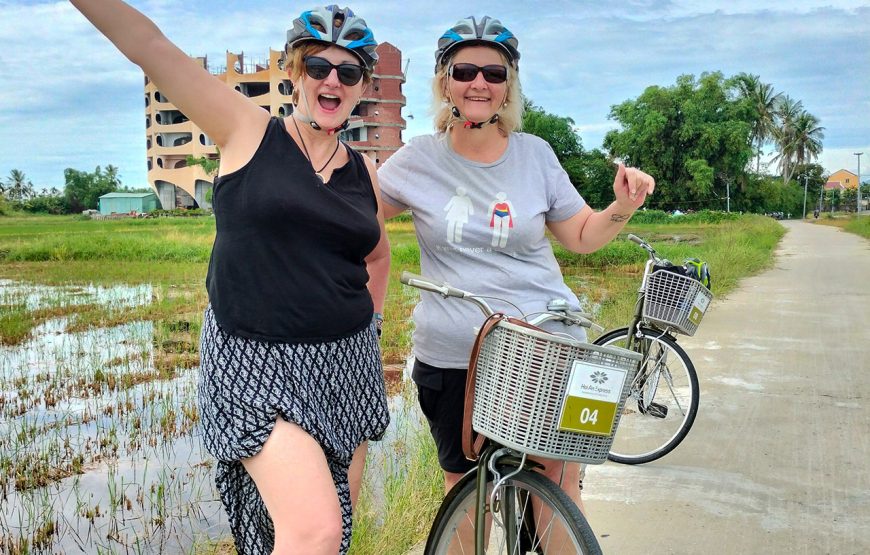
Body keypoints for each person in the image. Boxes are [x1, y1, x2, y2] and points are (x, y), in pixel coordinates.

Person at [70, 2, 391, 553]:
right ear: (294, 73)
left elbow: (378, 256)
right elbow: (152, 48)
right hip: (253, 362)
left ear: (362, 86)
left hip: (347, 364)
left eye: (348, 71)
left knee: (332, 526)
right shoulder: (246, 129)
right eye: (318, 67)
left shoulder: (365, 172)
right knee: (316, 530)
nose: (331, 80)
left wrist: (376, 323)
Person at [377, 15, 655, 510]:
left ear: (508, 88)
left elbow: (581, 236)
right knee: (464, 491)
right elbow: (350, 216)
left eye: (494, 73)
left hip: (547, 347)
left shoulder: (537, 155)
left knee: (559, 487)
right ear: (444, 82)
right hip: (456, 355)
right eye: (464, 72)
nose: (479, 83)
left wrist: (621, 208)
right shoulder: (417, 158)